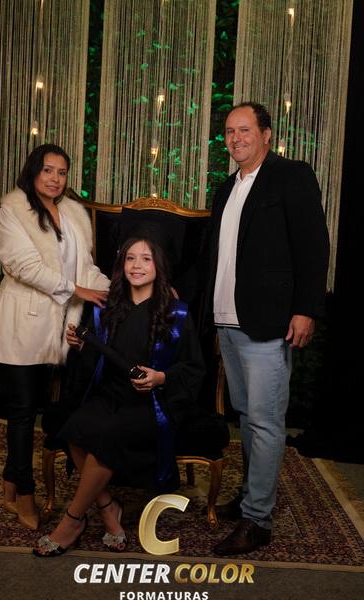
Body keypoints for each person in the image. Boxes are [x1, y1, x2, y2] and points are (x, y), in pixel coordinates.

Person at [203, 102, 330, 555]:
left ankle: (258, 520)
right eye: (229, 132)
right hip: (228, 321)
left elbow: (314, 246)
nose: (235, 139)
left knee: (265, 420)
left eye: (244, 130)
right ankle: (250, 497)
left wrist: (306, 309)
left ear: (266, 134)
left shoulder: (291, 176)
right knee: (246, 416)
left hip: (269, 322)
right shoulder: (225, 188)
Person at [33, 236, 205, 556]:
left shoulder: (176, 313)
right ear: (121, 264)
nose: (137, 266)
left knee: (106, 437)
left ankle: (72, 520)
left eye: (146, 259)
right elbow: (97, 363)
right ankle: (108, 507)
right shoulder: (107, 308)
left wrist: (160, 377)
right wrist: (81, 345)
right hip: (111, 394)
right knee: (74, 429)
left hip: (151, 403)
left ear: (158, 266)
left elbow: (194, 368)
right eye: (130, 258)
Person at [0, 144, 110, 530]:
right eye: (48, 170)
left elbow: (86, 268)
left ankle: (10, 482)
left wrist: (118, 291)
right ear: (33, 171)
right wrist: (77, 290)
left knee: (36, 409)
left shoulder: (72, 213)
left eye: (62, 172)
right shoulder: (13, 210)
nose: (55, 179)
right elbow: (25, 267)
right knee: (22, 413)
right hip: (19, 325)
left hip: (57, 329)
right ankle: (24, 491)